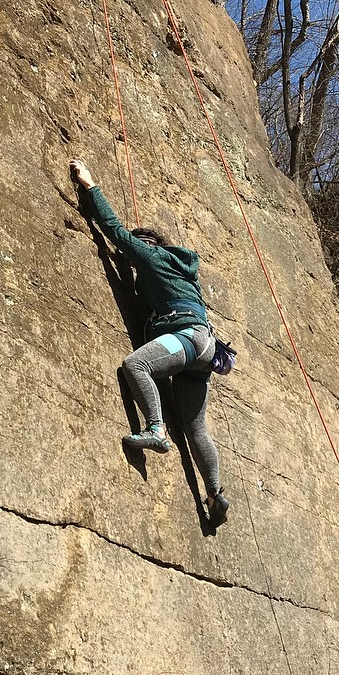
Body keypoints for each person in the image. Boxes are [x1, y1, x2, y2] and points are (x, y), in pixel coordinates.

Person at [69, 158, 229, 527]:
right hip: (202, 350)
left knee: (135, 365)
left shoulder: (154, 256)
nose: (131, 256)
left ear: (151, 245)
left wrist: (90, 185)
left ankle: (155, 429)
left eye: (138, 250)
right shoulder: (182, 269)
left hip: (186, 338)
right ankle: (216, 494)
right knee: (196, 429)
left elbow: (116, 233)